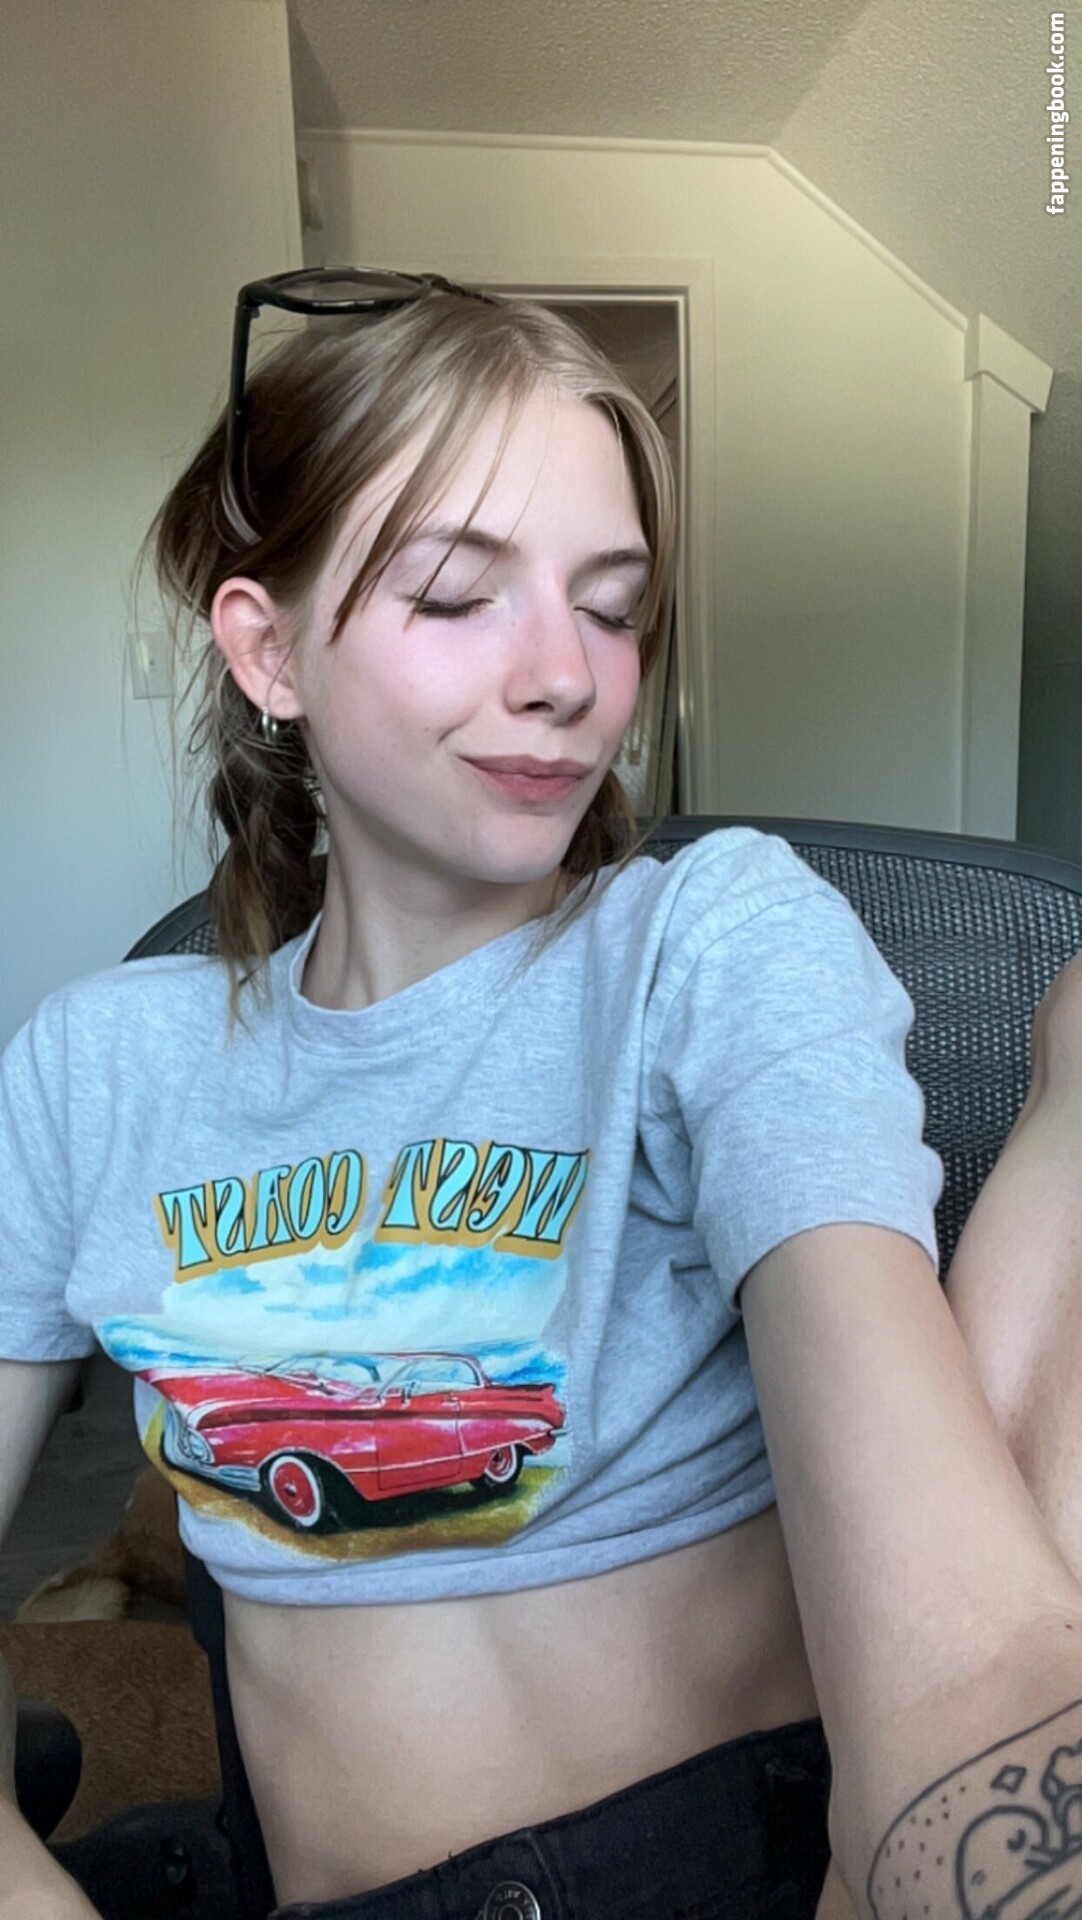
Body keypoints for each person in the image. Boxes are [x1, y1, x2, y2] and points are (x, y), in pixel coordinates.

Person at [2, 267, 1081, 1920]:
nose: (567, 675)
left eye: (612, 604)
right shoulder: (98, 1065)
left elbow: (959, 1651)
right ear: (268, 648)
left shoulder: (706, 942)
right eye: (457, 595)